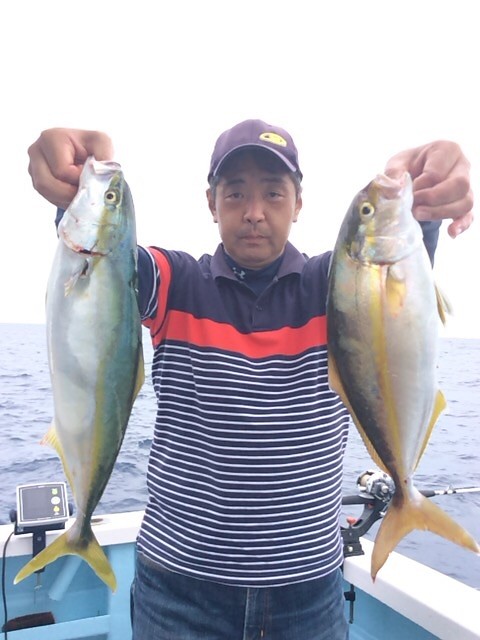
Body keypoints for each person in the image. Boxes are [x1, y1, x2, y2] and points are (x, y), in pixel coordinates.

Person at [27, 119, 474, 640]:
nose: (254, 212)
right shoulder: (175, 283)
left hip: (308, 595)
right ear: (212, 203)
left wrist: (422, 208)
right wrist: (75, 192)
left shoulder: (338, 286)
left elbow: (391, 288)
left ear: (299, 203)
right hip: (178, 591)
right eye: (235, 193)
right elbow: (105, 270)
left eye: (273, 193)